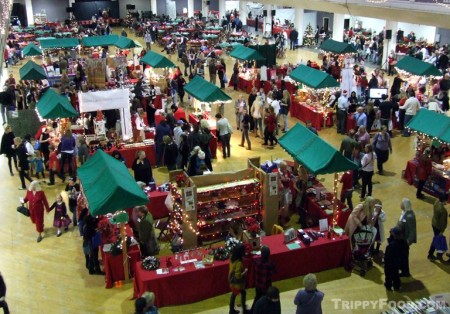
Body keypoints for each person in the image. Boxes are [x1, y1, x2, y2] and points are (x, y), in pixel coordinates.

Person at [251, 246, 276, 311]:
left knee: (257, 298)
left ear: (261, 253)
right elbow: (274, 272)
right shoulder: (270, 264)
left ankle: (252, 311)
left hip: (258, 284)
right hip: (266, 286)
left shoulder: (256, 262)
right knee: (266, 299)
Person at [384, 226, 408, 291]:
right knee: (396, 274)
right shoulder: (404, 243)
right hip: (398, 262)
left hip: (390, 263)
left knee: (388, 275)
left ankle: (388, 285)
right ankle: (396, 286)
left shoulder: (391, 245)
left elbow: (387, 256)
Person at [397, 198, 416, 276]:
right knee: (401, 255)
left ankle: (405, 272)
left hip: (405, 240)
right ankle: (401, 268)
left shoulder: (410, 216)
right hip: (400, 238)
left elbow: (412, 231)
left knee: (404, 256)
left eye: (401, 203)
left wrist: (408, 242)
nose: (400, 205)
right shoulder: (404, 212)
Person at [228, 243, 248, 314]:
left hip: (231, 281)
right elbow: (238, 276)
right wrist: (245, 272)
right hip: (237, 283)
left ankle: (231, 310)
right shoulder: (239, 262)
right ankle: (244, 310)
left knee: (234, 294)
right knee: (243, 293)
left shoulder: (231, 258)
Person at [428, 194, 448, 261]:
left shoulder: (436, 201)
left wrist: (447, 193)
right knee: (437, 240)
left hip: (434, 223)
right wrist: (442, 231)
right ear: (444, 201)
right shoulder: (442, 210)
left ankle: (437, 254)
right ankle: (431, 254)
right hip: (438, 227)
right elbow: (442, 222)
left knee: (437, 239)